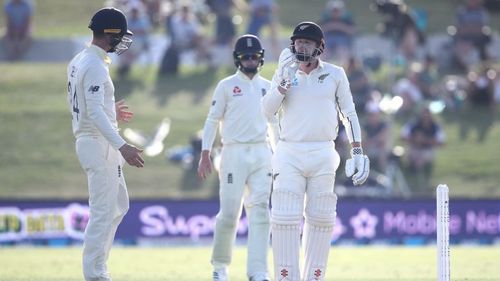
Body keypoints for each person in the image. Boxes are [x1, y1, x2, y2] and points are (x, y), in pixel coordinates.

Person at [261, 21, 370, 281]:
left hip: (323, 151)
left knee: (321, 217)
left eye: (307, 43)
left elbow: (349, 113)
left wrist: (357, 151)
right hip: (289, 151)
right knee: (285, 216)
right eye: (298, 42)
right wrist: (281, 86)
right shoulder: (284, 73)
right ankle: (286, 277)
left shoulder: (335, 74)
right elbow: (266, 111)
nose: (302, 46)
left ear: (320, 47)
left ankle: (315, 277)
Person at [66, 7, 145, 281]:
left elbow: (90, 106)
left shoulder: (79, 60)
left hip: (96, 140)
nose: (122, 40)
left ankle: (99, 268)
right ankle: (95, 274)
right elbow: (95, 113)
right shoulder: (95, 65)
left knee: (118, 205)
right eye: (120, 35)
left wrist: (112, 111)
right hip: (98, 144)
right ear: (110, 34)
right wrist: (123, 145)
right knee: (102, 212)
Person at [198, 34, 278, 281]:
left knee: (261, 212)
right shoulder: (226, 86)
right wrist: (205, 153)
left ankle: (258, 272)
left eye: (255, 56)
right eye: (246, 56)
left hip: (262, 152)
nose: (251, 60)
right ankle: (220, 267)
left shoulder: (269, 86)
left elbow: (275, 123)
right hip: (232, 152)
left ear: (261, 58)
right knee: (230, 212)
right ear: (238, 59)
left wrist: (281, 156)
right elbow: (212, 120)